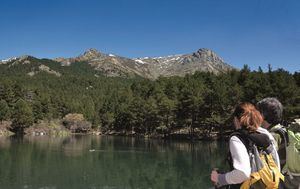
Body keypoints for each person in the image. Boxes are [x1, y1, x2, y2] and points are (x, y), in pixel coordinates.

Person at [210, 102, 281, 188]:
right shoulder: (266, 135)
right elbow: (276, 165)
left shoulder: (237, 138)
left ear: (236, 120)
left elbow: (243, 173)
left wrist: (219, 178)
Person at [257, 97, 300, 188]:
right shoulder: (284, 130)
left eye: (257, 112)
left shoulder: (271, 136)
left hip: (281, 182)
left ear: (263, 115)